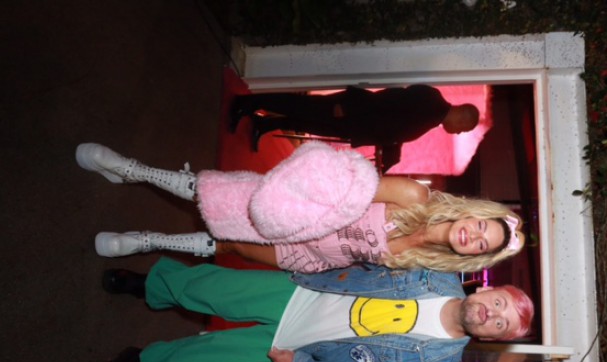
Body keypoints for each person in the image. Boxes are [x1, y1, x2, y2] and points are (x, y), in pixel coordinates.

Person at [88, 259, 534, 362]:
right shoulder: (436, 272)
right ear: (487, 289)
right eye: (498, 304)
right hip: (303, 291)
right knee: (210, 287)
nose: (490, 315)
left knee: (205, 361)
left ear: (490, 337)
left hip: (302, 352)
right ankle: (149, 284)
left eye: (501, 324)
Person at [76, 142, 525, 274]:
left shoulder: (427, 262)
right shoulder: (414, 197)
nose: (473, 236)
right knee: (208, 194)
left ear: (474, 256)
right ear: (474, 212)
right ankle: (131, 168)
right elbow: (341, 182)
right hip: (293, 214)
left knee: (231, 247)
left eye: (480, 244)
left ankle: (148, 241)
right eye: (481, 227)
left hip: (309, 256)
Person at [230, 85, 480, 161]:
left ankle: (264, 124)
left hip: (355, 123)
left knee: (306, 120)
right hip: (353, 112)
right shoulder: (431, 103)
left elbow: (396, 128)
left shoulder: (433, 114)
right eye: (464, 129)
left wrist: (393, 155)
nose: (459, 133)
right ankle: (249, 102)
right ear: (462, 116)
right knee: (301, 107)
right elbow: (389, 100)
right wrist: (350, 108)